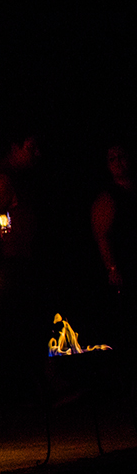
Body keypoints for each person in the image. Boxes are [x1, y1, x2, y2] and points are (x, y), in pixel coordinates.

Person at [0, 134, 49, 403]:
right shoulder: (4, 180)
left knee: (28, 328)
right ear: (14, 146)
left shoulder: (22, 179)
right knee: (17, 330)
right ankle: (15, 394)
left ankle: (28, 390)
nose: (37, 154)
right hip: (11, 267)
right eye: (31, 148)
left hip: (23, 264)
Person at [91, 143, 136, 353]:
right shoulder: (108, 197)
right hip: (125, 269)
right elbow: (101, 235)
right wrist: (112, 269)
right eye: (112, 158)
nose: (118, 162)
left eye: (122, 156)